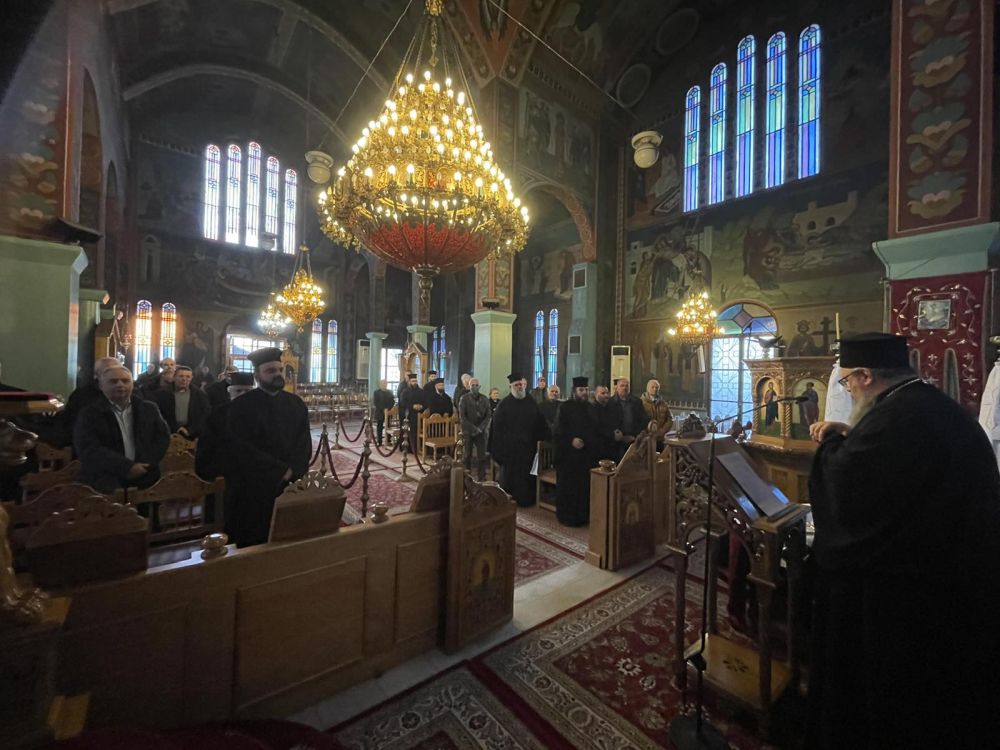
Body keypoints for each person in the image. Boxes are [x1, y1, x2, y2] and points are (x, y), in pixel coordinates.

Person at [806, 333, 1000, 749]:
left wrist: (832, 444)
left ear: (866, 376)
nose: (848, 390)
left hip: (915, 597)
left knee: (899, 706)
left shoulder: (899, 418)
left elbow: (847, 487)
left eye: (847, 382)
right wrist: (851, 434)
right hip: (954, 575)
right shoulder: (924, 405)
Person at [226, 347, 311, 547]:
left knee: (290, 540)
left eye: (280, 370)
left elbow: (304, 443)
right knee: (254, 543)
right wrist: (279, 471)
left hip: (291, 485)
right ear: (257, 376)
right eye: (270, 371)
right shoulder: (241, 406)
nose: (278, 374)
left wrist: (293, 470)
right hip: (254, 487)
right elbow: (241, 447)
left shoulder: (296, 403)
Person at [73, 365, 170, 493]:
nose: (120, 385)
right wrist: (127, 467)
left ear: (132, 384)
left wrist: (145, 465)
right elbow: (88, 447)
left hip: (145, 476)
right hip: (105, 479)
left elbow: (162, 438)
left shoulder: (148, 408)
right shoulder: (90, 413)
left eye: (125, 381)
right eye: (113, 381)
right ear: (101, 386)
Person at [489, 372, 549, 506]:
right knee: (510, 477)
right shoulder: (504, 405)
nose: (520, 387)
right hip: (510, 451)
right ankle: (508, 500)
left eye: (521, 384)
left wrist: (545, 435)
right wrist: (499, 451)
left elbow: (540, 422)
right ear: (511, 387)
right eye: (516, 385)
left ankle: (527, 500)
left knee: (527, 477)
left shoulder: (531, 402)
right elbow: (497, 430)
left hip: (528, 448)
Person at [553, 377, 599, 526]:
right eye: (581, 390)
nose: (584, 392)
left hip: (586, 456)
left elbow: (595, 430)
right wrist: (571, 440)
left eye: (586, 389)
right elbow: (558, 431)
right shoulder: (565, 407)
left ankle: (584, 516)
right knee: (569, 487)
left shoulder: (591, 408)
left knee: (584, 487)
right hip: (568, 456)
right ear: (574, 391)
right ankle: (567, 517)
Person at [195, 372, 254, 483]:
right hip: (223, 471)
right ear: (230, 392)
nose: (243, 394)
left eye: (247, 391)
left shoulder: (262, 413)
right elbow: (206, 446)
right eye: (238, 391)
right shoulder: (218, 414)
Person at [61, 356, 120, 447]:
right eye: (107, 372)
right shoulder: (81, 395)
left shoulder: (131, 394)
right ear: (96, 375)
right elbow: (70, 424)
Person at [153, 365, 210, 438]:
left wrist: (191, 430)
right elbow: (158, 414)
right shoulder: (161, 394)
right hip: (168, 433)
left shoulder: (199, 395)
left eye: (188, 377)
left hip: (192, 434)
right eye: (181, 376)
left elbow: (205, 415)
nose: (184, 379)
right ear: (174, 377)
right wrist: (175, 429)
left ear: (191, 378)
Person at [459, 378, 491, 481]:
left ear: (479, 386)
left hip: (481, 431)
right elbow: (462, 417)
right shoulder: (464, 399)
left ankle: (481, 477)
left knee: (482, 455)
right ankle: (467, 476)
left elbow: (488, 416)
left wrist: (480, 428)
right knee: (467, 454)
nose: (474, 387)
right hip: (468, 430)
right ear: (469, 386)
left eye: (476, 385)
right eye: (472, 385)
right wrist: (473, 428)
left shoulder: (485, 399)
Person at [611, 378, 647, 457]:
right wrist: (618, 435)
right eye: (622, 386)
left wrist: (634, 435)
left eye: (627, 386)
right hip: (616, 442)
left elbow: (643, 420)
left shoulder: (637, 402)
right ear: (617, 388)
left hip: (634, 440)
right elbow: (608, 421)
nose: (624, 388)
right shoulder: (610, 403)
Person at [592, 384, 622, 461]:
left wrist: (618, 432)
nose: (606, 395)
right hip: (599, 448)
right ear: (596, 394)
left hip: (613, 447)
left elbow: (617, 421)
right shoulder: (591, 409)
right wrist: (612, 434)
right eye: (603, 393)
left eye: (607, 393)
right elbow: (596, 427)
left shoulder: (612, 407)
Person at [398, 372, 425, 453]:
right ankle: (408, 448)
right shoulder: (405, 391)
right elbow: (403, 403)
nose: (414, 383)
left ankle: (417, 447)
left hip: (419, 415)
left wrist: (421, 406)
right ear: (409, 382)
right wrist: (412, 406)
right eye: (413, 381)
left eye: (415, 381)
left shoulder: (421, 391)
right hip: (409, 415)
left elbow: (426, 402)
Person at [372, 379, 395, 446]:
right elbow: (376, 402)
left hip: (388, 412)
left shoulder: (390, 392)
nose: (384, 384)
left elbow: (392, 401)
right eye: (383, 383)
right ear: (380, 384)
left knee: (388, 426)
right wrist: (383, 409)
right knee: (379, 427)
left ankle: (388, 440)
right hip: (379, 412)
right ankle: (379, 441)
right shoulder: (376, 392)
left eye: (385, 383)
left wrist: (388, 408)